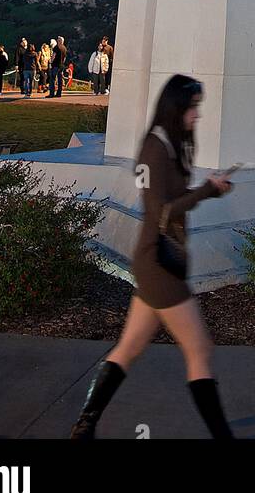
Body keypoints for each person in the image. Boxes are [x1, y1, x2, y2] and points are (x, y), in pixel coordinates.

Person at [69, 74, 235, 440]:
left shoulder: (173, 145)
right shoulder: (155, 149)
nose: (197, 115)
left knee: (129, 348)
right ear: (177, 107)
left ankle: (85, 427)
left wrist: (211, 189)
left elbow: (174, 199)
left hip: (160, 261)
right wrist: (207, 190)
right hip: (159, 264)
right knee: (199, 348)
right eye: (193, 107)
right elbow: (161, 212)